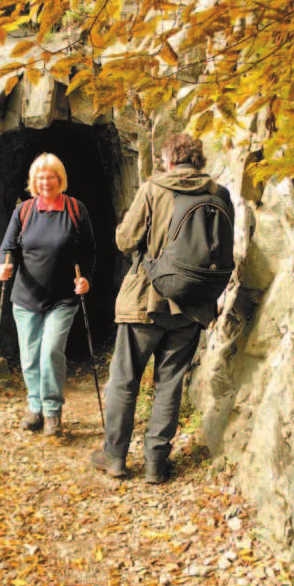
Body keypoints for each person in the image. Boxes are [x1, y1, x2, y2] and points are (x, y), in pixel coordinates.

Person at [91, 133, 234, 482]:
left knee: (125, 381)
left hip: (147, 299)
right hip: (193, 306)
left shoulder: (154, 189)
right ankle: (156, 463)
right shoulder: (219, 194)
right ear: (197, 160)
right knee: (169, 384)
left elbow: (126, 239)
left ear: (169, 160)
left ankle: (115, 458)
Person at [0, 153, 96, 437]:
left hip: (63, 297)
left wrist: (86, 279)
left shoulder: (76, 210)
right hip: (26, 296)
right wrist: (4, 266)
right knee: (30, 357)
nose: (45, 182)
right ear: (33, 181)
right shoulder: (24, 211)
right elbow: (8, 247)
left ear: (60, 179)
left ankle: (52, 411)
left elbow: (89, 251)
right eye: (40, 178)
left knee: (51, 351)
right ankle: (35, 408)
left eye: (50, 177)